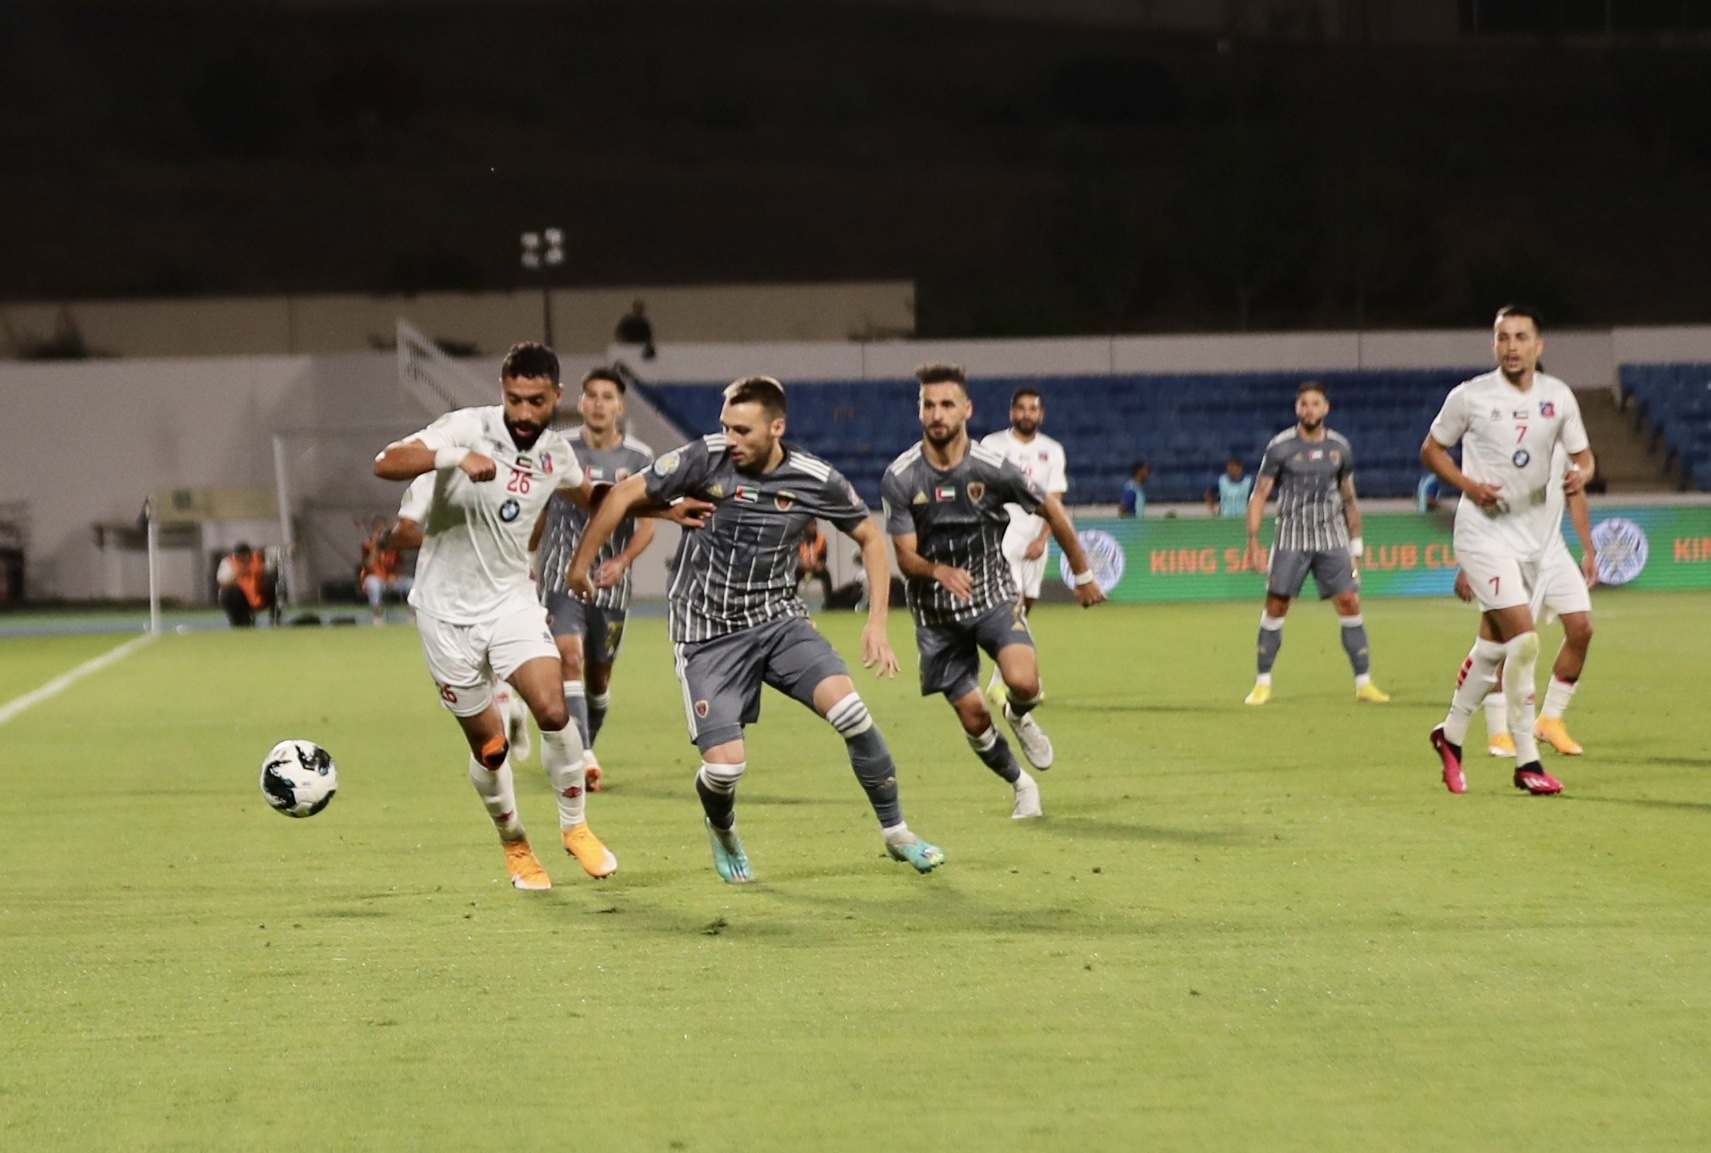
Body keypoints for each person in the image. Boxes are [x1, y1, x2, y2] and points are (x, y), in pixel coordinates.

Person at [568, 374, 944, 883]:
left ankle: (897, 833)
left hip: (777, 619)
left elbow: (870, 538)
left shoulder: (814, 478)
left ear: (776, 428)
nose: (731, 439)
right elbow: (618, 497)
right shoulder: (704, 458)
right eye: (726, 427)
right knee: (725, 770)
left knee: (853, 714)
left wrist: (877, 623)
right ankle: (722, 828)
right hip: (707, 630)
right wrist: (583, 565)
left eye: (742, 430)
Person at [372, 341, 705, 891]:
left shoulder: (554, 453)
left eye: (536, 401)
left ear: (557, 396)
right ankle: (516, 844)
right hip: (445, 615)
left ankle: (576, 828)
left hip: (511, 603)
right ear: (502, 392)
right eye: (514, 399)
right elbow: (386, 462)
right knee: (490, 749)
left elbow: (595, 496)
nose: (524, 413)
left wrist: (666, 509)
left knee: (553, 709)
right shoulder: (467, 428)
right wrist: (455, 458)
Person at [884, 363, 1106, 821]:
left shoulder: (992, 468)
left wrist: (1083, 574)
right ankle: (1021, 784)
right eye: (929, 405)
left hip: (991, 596)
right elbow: (904, 556)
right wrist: (938, 571)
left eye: (947, 404)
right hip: (936, 615)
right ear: (919, 410)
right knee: (973, 716)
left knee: (1024, 683)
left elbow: (1052, 509)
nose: (937, 414)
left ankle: (1019, 713)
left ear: (967, 410)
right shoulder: (901, 477)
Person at [1422, 305, 1595, 796]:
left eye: (1521, 337)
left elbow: (1584, 457)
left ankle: (1451, 734)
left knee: (1493, 648)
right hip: (1483, 534)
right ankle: (1527, 760)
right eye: (1503, 338)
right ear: (1494, 345)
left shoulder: (1558, 397)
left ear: (1538, 346)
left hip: (1534, 541)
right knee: (1525, 641)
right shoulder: (1471, 396)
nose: (1512, 346)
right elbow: (1431, 450)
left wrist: (1581, 473)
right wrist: (1469, 485)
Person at [534, 367, 656, 793]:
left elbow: (648, 524)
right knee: (569, 658)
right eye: (591, 396)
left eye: (607, 397)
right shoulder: (558, 448)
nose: (598, 404)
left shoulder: (639, 458)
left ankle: (583, 743)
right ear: (581, 402)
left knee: (598, 679)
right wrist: (525, 558)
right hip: (561, 575)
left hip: (611, 583)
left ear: (620, 407)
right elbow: (540, 508)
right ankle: (581, 756)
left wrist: (623, 560)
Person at [1243, 381, 1389, 705]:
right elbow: (1260, 495)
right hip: (1291, 535)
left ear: (1326, 408)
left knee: (1349, 602)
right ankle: (1262, 683)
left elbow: (1349, 499)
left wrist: (1356, 546)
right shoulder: (1280, 447)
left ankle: (1364, 683)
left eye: (1315, 404)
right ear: (1297, 408)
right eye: (1304, 404)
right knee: (1276, 605)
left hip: (1331, 535)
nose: (1309, 410)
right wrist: (1253, 542)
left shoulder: (1340, 448)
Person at [1471, 443, 1597, 758]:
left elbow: (1575, 491)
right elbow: (1482, 504)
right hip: (1511, 554)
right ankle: (1498, 733)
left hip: (1553, 553)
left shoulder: (1562, 438)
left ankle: (1550, 720)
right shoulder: (1503, 440)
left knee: (1581, 628)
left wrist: (1588, 549)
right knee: (1507, 643)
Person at [978, 386, 1070, 706]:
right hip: (1001, 540)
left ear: (1041, 415)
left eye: (1033, 409)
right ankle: (1026, 679)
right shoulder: (992, 445)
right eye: (1021, 408)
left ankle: (998, 681)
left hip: (1034, 542)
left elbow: (1055, 500)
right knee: (1013, 609)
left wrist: (1043, 538)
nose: (1027, 414)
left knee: (1024, 609)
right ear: (1011, 412)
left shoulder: (1052, 451)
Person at [358, 516, 413, 625]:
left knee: (412, 584)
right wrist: (376, 546)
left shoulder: (394, 546)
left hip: (391, 580)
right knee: (373, 584)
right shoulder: (368, 544)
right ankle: (378, 615)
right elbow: (369, 564)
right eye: (378, 529)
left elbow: (399, 567)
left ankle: (413, 615)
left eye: (383, 528)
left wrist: (395, 576)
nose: (381, 532)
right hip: (376, 579)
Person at [216, 542, 274, 627]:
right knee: (229, 593)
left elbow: (270, 566)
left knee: (275, 587)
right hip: (240, 597)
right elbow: (222, 581)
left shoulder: (258, 560)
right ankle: (239, 621)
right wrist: (237, 575)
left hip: (258, 594)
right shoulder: (229, 563)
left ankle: (275, 621)